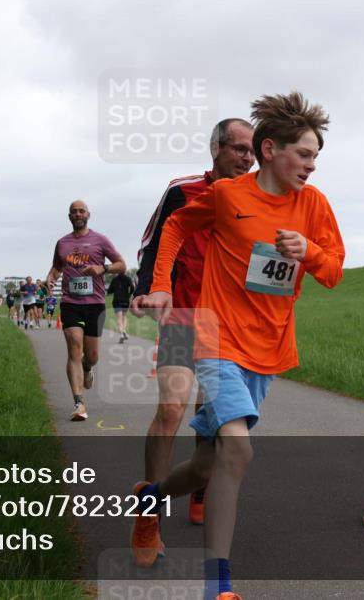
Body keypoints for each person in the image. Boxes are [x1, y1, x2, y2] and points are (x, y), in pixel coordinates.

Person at [130, 91, 345, 600]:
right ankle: (217, 584)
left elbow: (334, 271)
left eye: (317, 156)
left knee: (210, 462)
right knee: (235, 448)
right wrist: (158, 284)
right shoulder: (226, 197)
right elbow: (176, 226)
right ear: (271, 149)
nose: (313, 166)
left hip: (267, 349)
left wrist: (309, 250)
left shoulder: (314, 205)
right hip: (209, 334)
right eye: (305, 154)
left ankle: (151, 499)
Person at [132, 118, 255, 527]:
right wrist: (149, 287)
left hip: (228, 324)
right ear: (216, 148)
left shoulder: (255, 198)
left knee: (211, 417)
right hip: (183, 314)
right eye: (240, 149)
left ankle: (200, 487)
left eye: (253, 151)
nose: (248, 158)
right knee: (171, 407)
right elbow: (153, 242)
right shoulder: (182, 190)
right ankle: (151, 513)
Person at [46, 200, 126, 422]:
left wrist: (104, 268)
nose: (78, 214)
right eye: (74, 211)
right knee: (74, 346)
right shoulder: (62, 243)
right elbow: (57, 267)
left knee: (92, 355)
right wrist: (51, 278)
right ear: (69, 216)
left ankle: (87, 368)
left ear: (88, 214)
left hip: (95, 303)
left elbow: (122, 264)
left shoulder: (100, 240)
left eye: (81, 211)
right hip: (71, 303)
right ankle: (79, 403)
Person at [108, 272, 136, 343]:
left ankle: (121, 334)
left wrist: (112, 291)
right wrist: (129, 294)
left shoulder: (115, 279)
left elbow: (110, 290)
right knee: (124, 316)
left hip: (117, 301)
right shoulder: (128, 278)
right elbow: (132, 287)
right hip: (125, 301)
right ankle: (124, 332)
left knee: (119, 318)